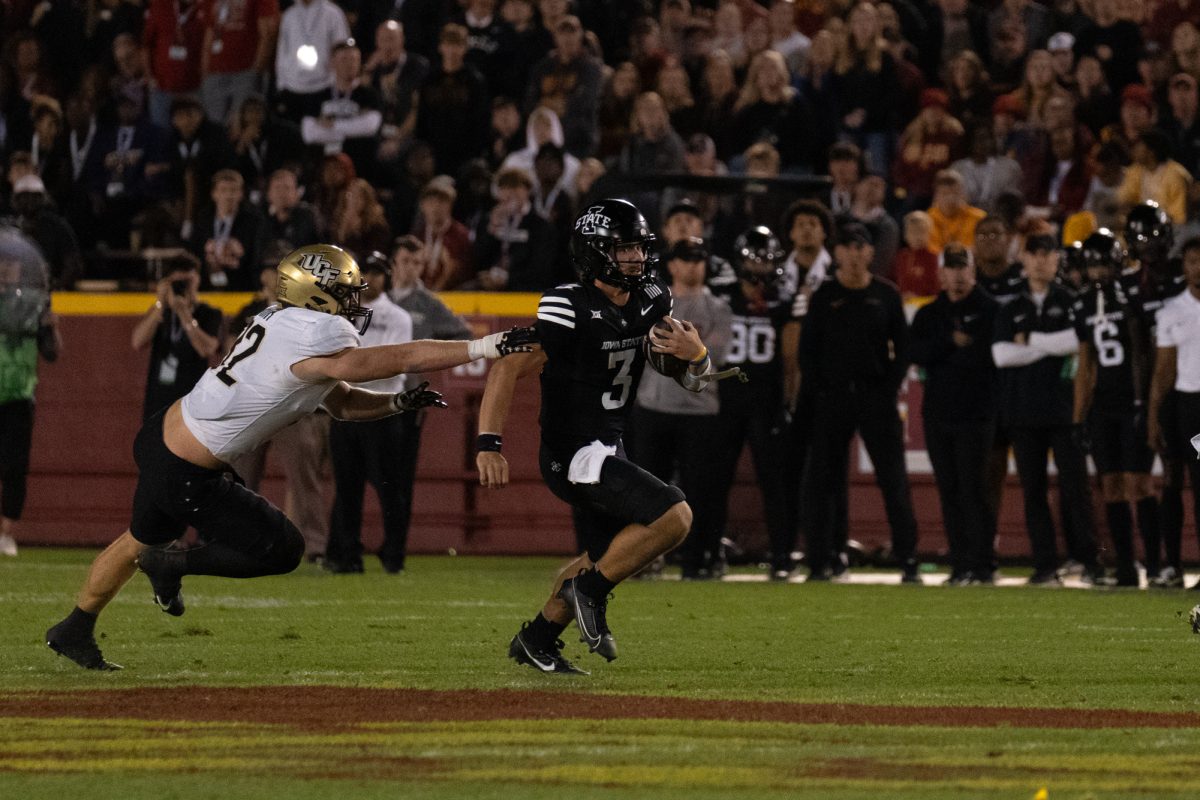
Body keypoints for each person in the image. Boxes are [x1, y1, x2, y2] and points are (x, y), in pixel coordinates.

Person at [46, 244, 536, 670]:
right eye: (345, 292)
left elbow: (340, 400)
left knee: (136, 539)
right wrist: (482, 345)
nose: (353, 302)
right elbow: (387, 361)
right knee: (281, 548)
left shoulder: (281, 320)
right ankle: (170, 567)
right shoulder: (313, 331)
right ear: (316, 294)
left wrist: (395, 402)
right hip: (189, 469)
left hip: (167, 439)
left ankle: (74, 628)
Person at [476, 198, 714, 674]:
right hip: (573, 453)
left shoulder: (651, 298)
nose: (636, 259)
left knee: (608, 554)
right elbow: (507, 366)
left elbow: (693, 383)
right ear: (595, 252)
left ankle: (537, 638)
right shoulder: (569, 305)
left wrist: (698, 355)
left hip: (609, 446)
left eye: (638, 249)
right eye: (623, 249)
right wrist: (489, 442)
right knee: (675, 516)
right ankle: (586, 591)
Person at [799, 221, 919, 582]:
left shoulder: (886, 294)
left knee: (892, 478)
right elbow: (808, 352)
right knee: (825, 480)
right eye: (846, 245)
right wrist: (823, 389)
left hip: (875, 398)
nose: (853, 252)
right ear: (836, 253)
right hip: (833, 398)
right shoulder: (823, 295)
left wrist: (886, 388)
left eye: (860, 245)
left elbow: (902, 350)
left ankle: (908, 558)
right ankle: (825, 558)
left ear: (870, 252)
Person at [992, 233, 1101, 585]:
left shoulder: (1071, 301)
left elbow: (1078, 343)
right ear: (1023, 258)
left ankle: (1086, 560)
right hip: (1023, 411)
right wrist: (1051, 347)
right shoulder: (1010, 307)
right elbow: (1002, 355)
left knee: (1075, 487)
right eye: (1034, 253)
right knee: (1033, 490)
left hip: (1065, 409)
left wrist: (1031, 341)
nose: (1041, 260)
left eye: (1048, 254)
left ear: (1057, 259)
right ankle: (1045, 565)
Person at [629, 237, 731, 579]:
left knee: (701, 489)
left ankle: (698, 559)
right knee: (646, 490)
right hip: (652, 405)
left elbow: (715, 358)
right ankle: (644, 558)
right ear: (672, 265)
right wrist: (687, 349)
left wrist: (682, 350)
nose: (692, 265)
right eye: (686, 259)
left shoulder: (718, 308)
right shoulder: (650, 305)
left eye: (699, 259)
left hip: (699, 409)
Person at [910, 243, 999, 584]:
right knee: (949, 489)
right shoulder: (929, 314)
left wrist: (945, 354)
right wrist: (951, 343)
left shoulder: (991, 310)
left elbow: (988, 357)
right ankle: (961, 563)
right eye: (952, 269)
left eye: (964, 269)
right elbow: (914, 352)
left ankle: (983, 563)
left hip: (977, 413)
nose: (958, 275)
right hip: (939, 414)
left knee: (974, 488)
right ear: (941, 274)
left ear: (973, 272)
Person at [323, 252, 416, 573]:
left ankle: (393, 555)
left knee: (390, 488)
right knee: (346, 487)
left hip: (383, 408)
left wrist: (352, 365)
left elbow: (393, 364)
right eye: (366, 272)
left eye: (377, 272)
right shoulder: (342, 314)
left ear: (386, 276)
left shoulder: (399, 317)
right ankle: (346, 554)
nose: (371, 279)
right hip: (347, 409)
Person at [1071, 230, 1153, 587]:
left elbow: (1140, 350)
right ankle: (1125, 564)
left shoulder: (1130, 294)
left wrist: (1141, 402)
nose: (1099, 271)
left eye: (1104, 263)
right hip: (1103, 404)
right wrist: (1078, 416)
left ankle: (1157, 564)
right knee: (1112, 486)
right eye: (1093, 265)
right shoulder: (1084, 301)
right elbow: (1085, 363)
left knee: (1139, 484)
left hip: (1130, 401)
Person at [1125, 202, 1186, 587]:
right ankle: (1159, 562)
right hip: (1157, 392)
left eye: (1152, 235)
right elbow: (1138, 351)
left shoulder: (1187, 275)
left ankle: (1173, 563)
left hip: (1190, 390)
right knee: (1153, 480)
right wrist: (1142, 401)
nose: (1147, 244)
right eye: (1140, 237)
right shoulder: (1132, 285)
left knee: (1182, 479)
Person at [0, 228, 61, 558]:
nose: (5, 270)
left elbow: (51, 353)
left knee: (14, 467)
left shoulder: (31, 304)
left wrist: (50, 325)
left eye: (10, 265)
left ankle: (6, 533)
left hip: (19, 393)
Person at [1148, 236, 1200, 591]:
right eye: (1193, 260)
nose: (1198, 267)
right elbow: (1163, 369)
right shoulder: (1171, 310)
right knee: (1171, 485)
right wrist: (1153, 415)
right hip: (1181, 405)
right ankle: (1173, 566)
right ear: (1184, 265)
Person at [132, 256, 223, 421]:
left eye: (187, 282)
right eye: (178, 283)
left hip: (190, 399)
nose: (183, 288)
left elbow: (206, 349)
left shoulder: (209, 313)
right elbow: (137, 341)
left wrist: (184, 313)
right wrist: (160, 302)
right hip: (158, 400)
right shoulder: (160, 312)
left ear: (197, 281)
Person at [188, 169, 265, 290]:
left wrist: (239, 255)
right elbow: (193, 252)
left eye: (233, 190)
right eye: (223, 190)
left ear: (241, 194)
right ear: (214, 194)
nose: (228, 196)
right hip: (206, 287)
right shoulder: (203, 220)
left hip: (241, 287)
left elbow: (256, 258)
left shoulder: (253, 223)